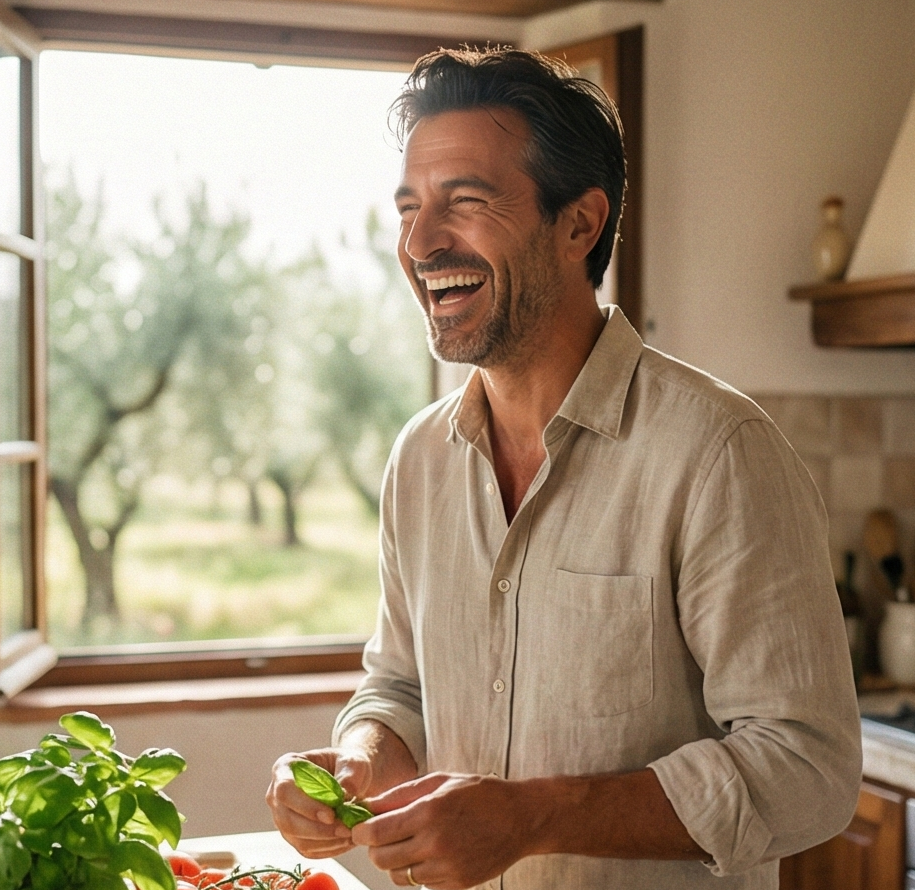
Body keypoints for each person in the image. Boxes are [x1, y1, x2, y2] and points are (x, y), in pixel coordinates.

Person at [266, 47, 862, 890]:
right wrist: (356, 762)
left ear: (579, 224)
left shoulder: (718, 452)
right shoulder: (419, 460)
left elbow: (808, 769)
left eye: (464, 203)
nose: (421, 242)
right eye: (409, 207)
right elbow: (398, 684)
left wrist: (533, 815)